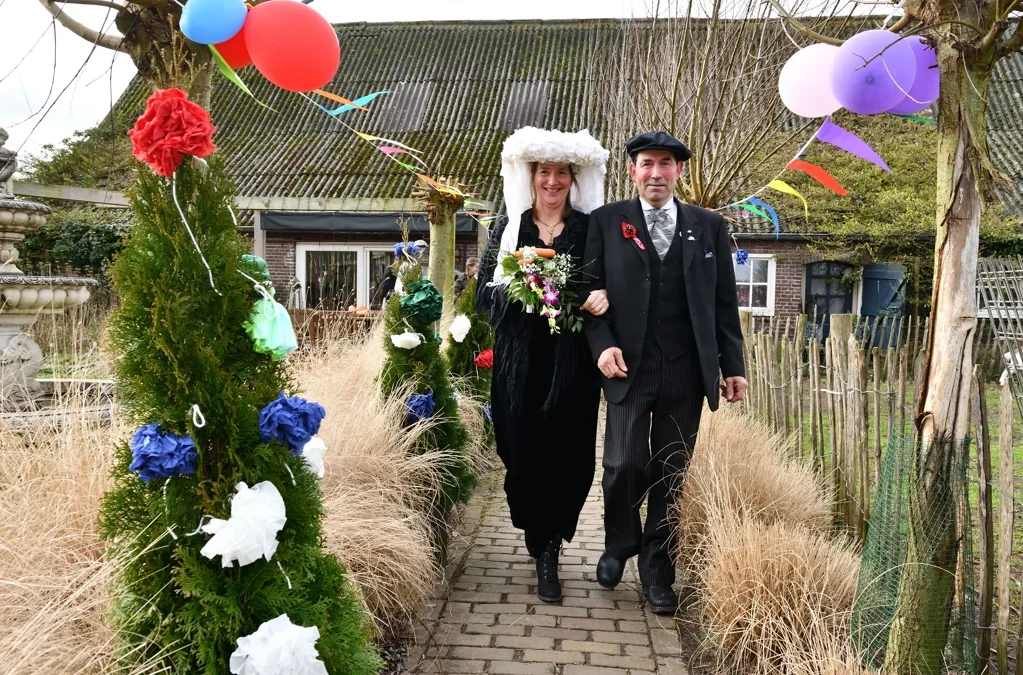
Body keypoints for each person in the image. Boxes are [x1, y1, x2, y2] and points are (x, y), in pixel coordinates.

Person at [583, 131, 747, 614]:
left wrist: (731, 366)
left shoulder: (709, 226)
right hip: (627, 366)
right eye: (647, 164)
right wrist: (602, 346)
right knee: (623, 465)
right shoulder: (606, 222)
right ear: (632, 171)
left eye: (666, 164)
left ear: (678, 171)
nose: (656, 173)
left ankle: (659, 572)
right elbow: (588, 297)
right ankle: (619, 542)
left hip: (685, 369)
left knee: (671, 473)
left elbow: (723, 305)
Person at [477, 127, 610, 603]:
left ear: (572, 179)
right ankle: (536, 529)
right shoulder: (508, 228)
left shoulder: (590, 229)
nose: (552, 181)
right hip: (519, 363)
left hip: (572, 365)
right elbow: (481, 297)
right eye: (544, 173)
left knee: (570, 454)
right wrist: (522, 286)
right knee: (521, 451)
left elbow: (604, 286)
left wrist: (598, 295)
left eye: (561, 173)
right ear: (531, 178)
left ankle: (551, 546)